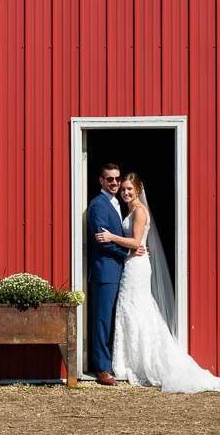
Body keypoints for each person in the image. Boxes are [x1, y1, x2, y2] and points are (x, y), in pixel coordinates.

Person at [95, 172, 220, 393]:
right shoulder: (131, 210)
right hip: (133, 263)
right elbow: (137, 244)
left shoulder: (139, 211)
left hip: (136, 266)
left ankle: (143, 362)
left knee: (136, 309)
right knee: (132, 309)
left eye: (129, 188)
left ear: (138, 189)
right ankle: (131, 361)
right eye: (123, 189)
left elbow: (136, 242)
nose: (125, 192)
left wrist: (112, 237)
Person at [84, 162, 128, 385]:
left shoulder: (118, 203)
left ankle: (115, 363)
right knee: (102, 320)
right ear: (101, 181)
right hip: (105, 271)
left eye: (117, 179)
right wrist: (128, 250)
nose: (114, 183)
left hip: (119, 270)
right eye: (109, 179)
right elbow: (101, 240)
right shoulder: (98, 205)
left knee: (115, 318)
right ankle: (101, 368)